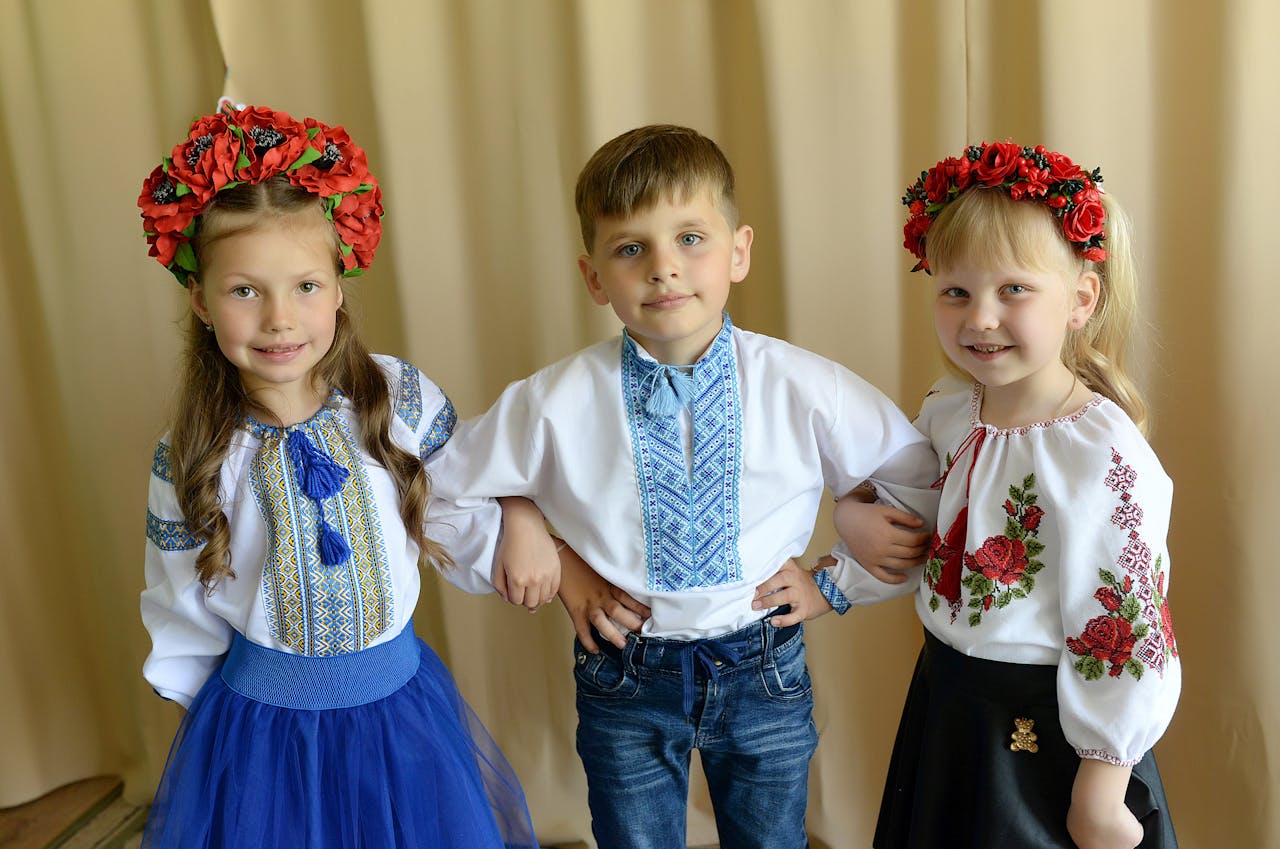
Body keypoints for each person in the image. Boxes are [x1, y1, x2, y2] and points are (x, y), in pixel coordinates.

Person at [425, 124, 939, 849]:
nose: (664, 268)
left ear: (739, 251)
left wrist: (838, 574)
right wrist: (531, 526)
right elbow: (434, 493)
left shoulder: (803, 384)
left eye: (691, 238)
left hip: (763, 666)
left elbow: (920, 482)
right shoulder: (552, 401)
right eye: (631, 248)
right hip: (624, 675)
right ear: (595, 277)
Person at [136, 102, 548, 849]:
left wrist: (519, 518)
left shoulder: (394, 400)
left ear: (340, 286)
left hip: (398, 712)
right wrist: (212, 761)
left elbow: (465, 493)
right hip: (260, 734)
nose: (279, 319)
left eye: (304, 286)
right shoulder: (194, 451)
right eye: (243, 291)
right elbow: (179, 608)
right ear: (200, 300)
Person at [854, 141, 1180, 848]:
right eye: (956, 291)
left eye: (1013, 290)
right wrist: (855, 514)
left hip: (1050, 730)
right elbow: (902, 502)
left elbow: (1126, 624)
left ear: (1080, 299)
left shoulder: (1102, 454)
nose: (980, 318)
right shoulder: (948, 409)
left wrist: (1101, 781)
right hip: (949, 703)